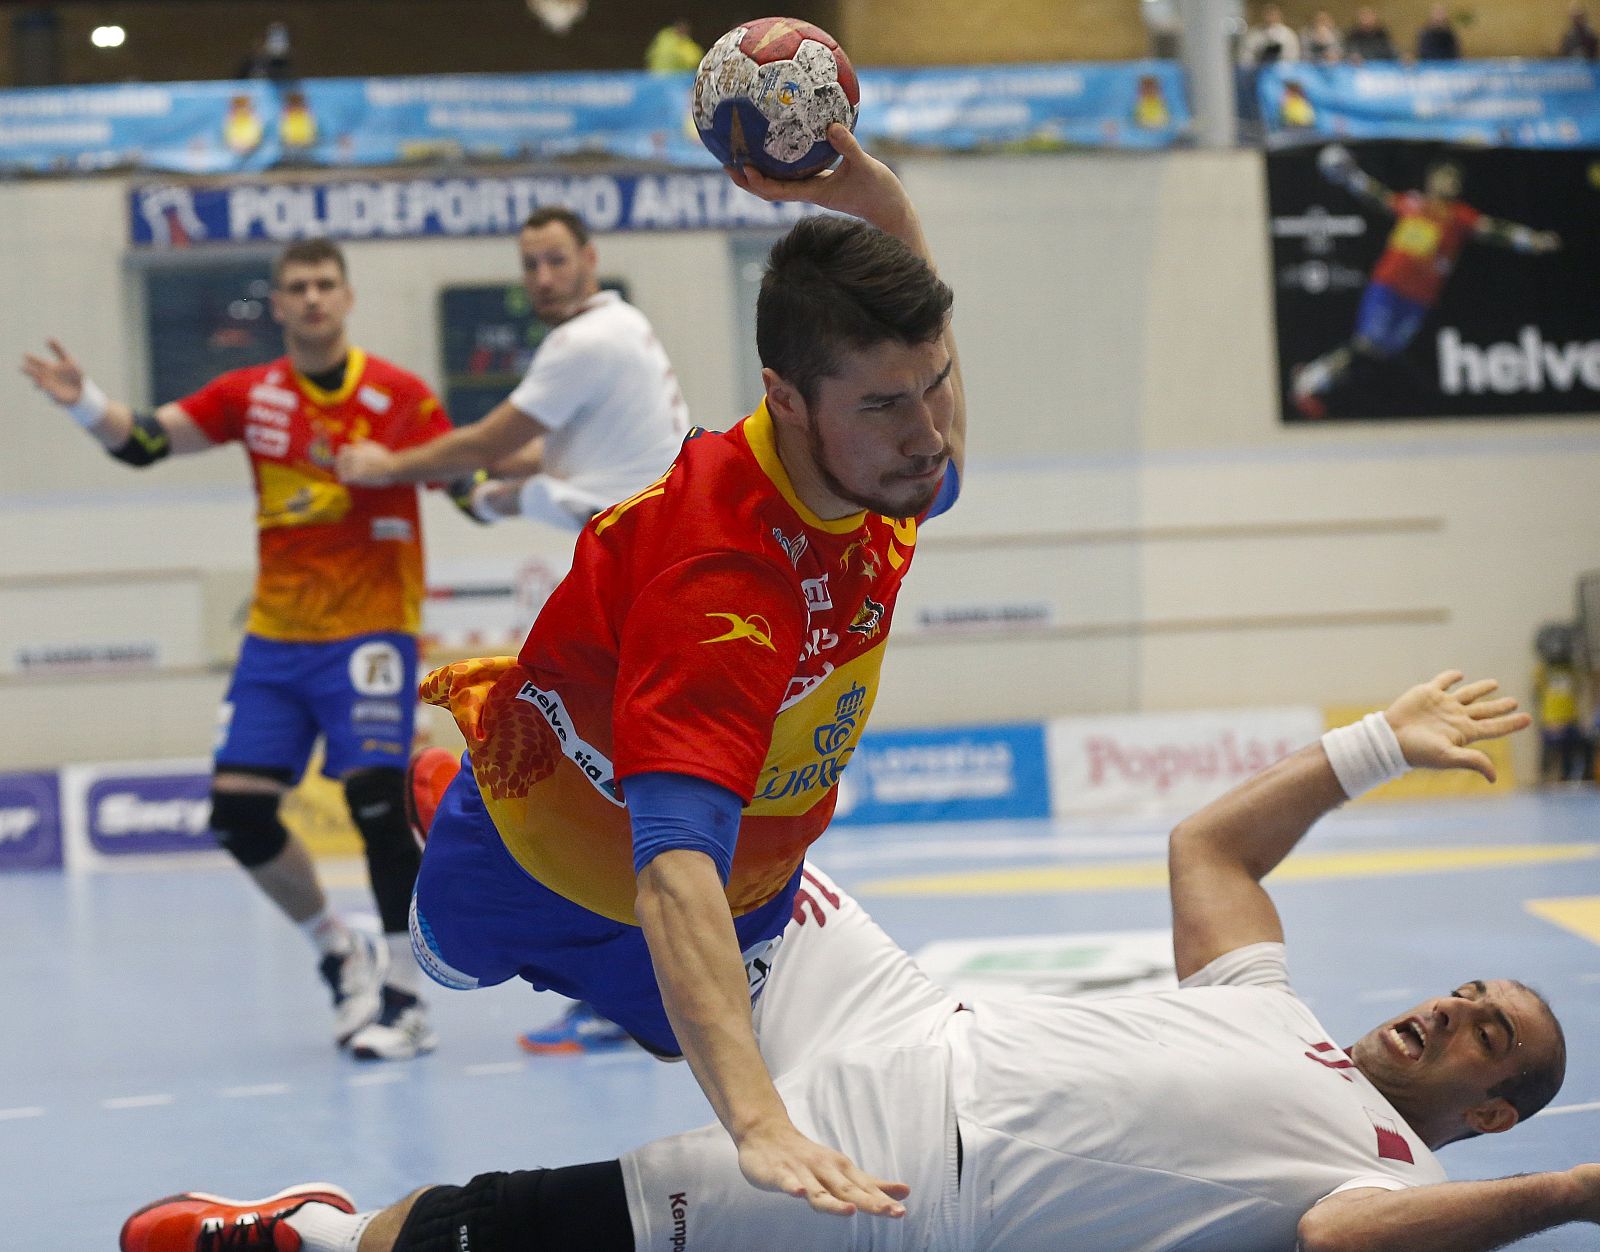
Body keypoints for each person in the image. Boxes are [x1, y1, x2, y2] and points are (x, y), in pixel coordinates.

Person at [123, 671, 1599, 1252]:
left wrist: (1581, 1194)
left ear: (1489, 1117)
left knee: (518, 1235)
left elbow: (1350, 1246)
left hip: (903, 1171)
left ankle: (305, 1236)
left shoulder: (1391, 1182)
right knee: (717, 850)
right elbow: (1208, 857)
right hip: (892, 1002)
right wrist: (1367, 750)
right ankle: (477, 907)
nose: (1450, 1010)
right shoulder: (1274, 1010)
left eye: (1487, 1037)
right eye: (1468, 992)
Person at [387, 121, 961, 1216]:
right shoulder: (723, 583)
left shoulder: (885, 465)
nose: (930, 435)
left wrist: (880, 204)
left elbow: (915, 392)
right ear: (786, 400)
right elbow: (670, 876)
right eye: (888, 404)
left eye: (933, 384)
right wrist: (755, 1122)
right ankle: (444, 785)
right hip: (535, 859)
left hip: (750, 869)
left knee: (672, 1043)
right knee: (447, 967)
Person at [21, 240, 472, 1061]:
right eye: (296, 287)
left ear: (347, 296)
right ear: (277, 303)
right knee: (236, 813)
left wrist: (538, 476)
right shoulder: (251, 394)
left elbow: (470, 481)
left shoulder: (400, 396)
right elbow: (147, 442)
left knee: (375, 800)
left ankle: (407, 999)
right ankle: (340, 951)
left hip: (371, 628)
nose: (310, 299)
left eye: (323, 285)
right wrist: (84, 400)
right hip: (277, 637)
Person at [336, 207, 689, 534]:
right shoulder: (625, 319)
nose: (544, 279)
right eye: (531, 265)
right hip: (658, 521)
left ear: (590, 258)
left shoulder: (582, 341)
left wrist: (389, 468)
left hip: (643, 532)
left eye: (557, 261)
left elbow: (485, 444)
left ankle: (482, 502)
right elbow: (553, 455)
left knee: (528, 494)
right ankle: (482, 500)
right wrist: (465, 468)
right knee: (530, 491)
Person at [1290, 146, 1561, 419]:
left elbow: (1495, 231)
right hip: (1389, 287)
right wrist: (1351, 175)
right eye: (1446, 177)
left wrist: (1530, 240)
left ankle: (1321, 379)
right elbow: (1377, 196)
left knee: (1382, 351)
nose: (1452, 183)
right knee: (1367, 344)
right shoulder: (1413, 203)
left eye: (1456, 180)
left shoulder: (1459, 216)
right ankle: (1311, 380)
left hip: (1419, 298)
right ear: (1431, 179)